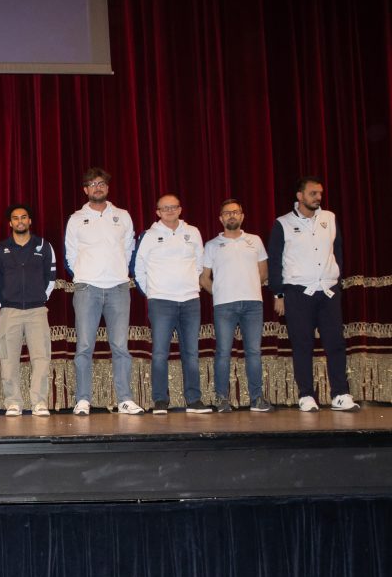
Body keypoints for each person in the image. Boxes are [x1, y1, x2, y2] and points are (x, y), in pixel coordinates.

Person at [268, 176, 359, 412]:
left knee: (335, 343)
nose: (318, 197)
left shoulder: (329, 218)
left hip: (328, 291)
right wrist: (278, 293)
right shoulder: (283, 223)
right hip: (298, 293)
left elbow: (337, 250)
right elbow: (275, 261)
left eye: (319, 193)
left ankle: (340, 394)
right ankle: (306, 395)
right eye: (312, 193)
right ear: (300, 196)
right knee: (302, 344)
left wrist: (336, 278)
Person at [64, 167, 144, 415]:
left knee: (120, 346)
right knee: (84, 347)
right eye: (92, 184)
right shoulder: (76, 218)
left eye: (101, 183)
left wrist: (119, 274)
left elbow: (130, 249)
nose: (97, 187)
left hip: (118, 288)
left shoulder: (123, 215)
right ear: (85, 190)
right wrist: (84, 278)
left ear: (107, 188)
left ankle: (125, 399)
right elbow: (70, 255)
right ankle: (83, 400)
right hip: (87, 288)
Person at [134, 194, 208, 414]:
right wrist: (153, 292)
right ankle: (160, 400)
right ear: (157, 212)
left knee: (191, 352)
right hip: (161, 302)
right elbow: (139, 268)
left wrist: (188, 285)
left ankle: (194, 399)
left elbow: (199, 263)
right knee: (159, 353)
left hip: (190, 301)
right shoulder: (149, 235)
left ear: (180, 209)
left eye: (173, 207)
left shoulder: (192, 232)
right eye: (164, 208)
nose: (169, 211)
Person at [199, 199, 272, 412]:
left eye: (236, 212)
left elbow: (264, 272)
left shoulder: (255, 241)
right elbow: (204, 279)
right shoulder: (212, 245)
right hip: (224, 306)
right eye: (227, 213)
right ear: (221, 218)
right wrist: (221, 292)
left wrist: (247, 288)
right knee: (223, 352)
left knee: (253, 352)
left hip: (253, 304)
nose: (232, 215)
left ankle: (257, 399)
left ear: (242, 216)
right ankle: (222, 399)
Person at [0, 204, 56, 417]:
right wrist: (5, 304)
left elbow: (51, 276)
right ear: (10, 223)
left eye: (24, 217)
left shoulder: (44, 246)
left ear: (29, 221)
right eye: (15, 218)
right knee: (9, 359)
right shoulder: (0, 249)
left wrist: (41, 298)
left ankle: (39, 402)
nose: (20, 221)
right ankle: (13, 402)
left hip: (37, 310)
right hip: (10, 311)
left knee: (41, 358)